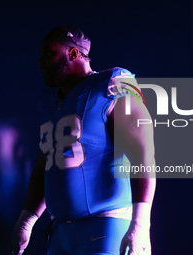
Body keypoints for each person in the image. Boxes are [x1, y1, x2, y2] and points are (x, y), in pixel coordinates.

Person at [10, 25, 156, 255]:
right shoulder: (49, 101)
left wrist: (140, 224)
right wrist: (26, 221)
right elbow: (45, 165)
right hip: (61, 230)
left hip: (107, 225)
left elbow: (142, 156)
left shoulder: (113, 83)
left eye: (49, 52)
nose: (41, 61)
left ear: (73, 53)